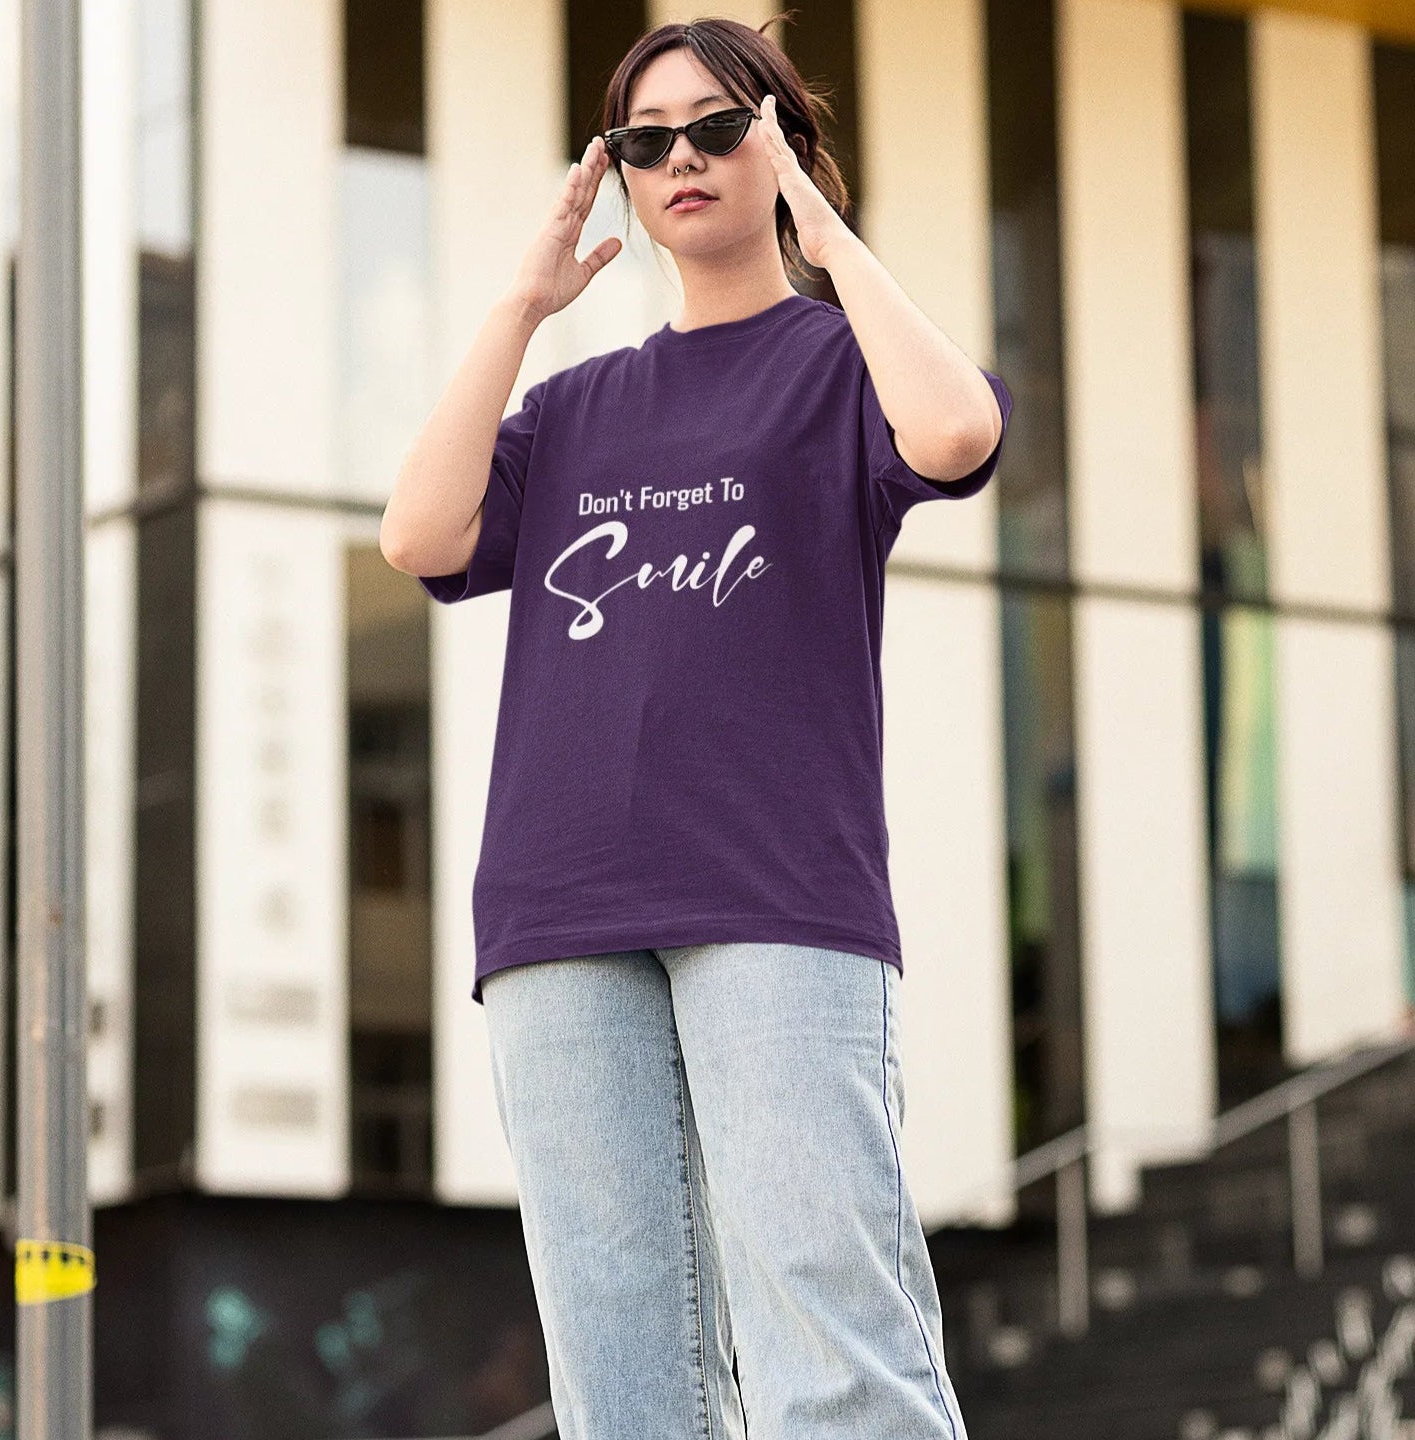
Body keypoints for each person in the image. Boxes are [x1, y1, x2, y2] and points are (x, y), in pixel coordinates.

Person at [380, 14, 1011, 1439]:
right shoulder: (579, 402)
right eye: (642, 139)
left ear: (780, 141)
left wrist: (822, 230)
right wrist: (520, 307)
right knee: (619, 1374)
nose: (681, 158)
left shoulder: (838, 363)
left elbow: (959, 434)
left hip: (776, 893)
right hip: (558, 908)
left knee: (831, 1329)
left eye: (720, 127)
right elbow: (420, 534)